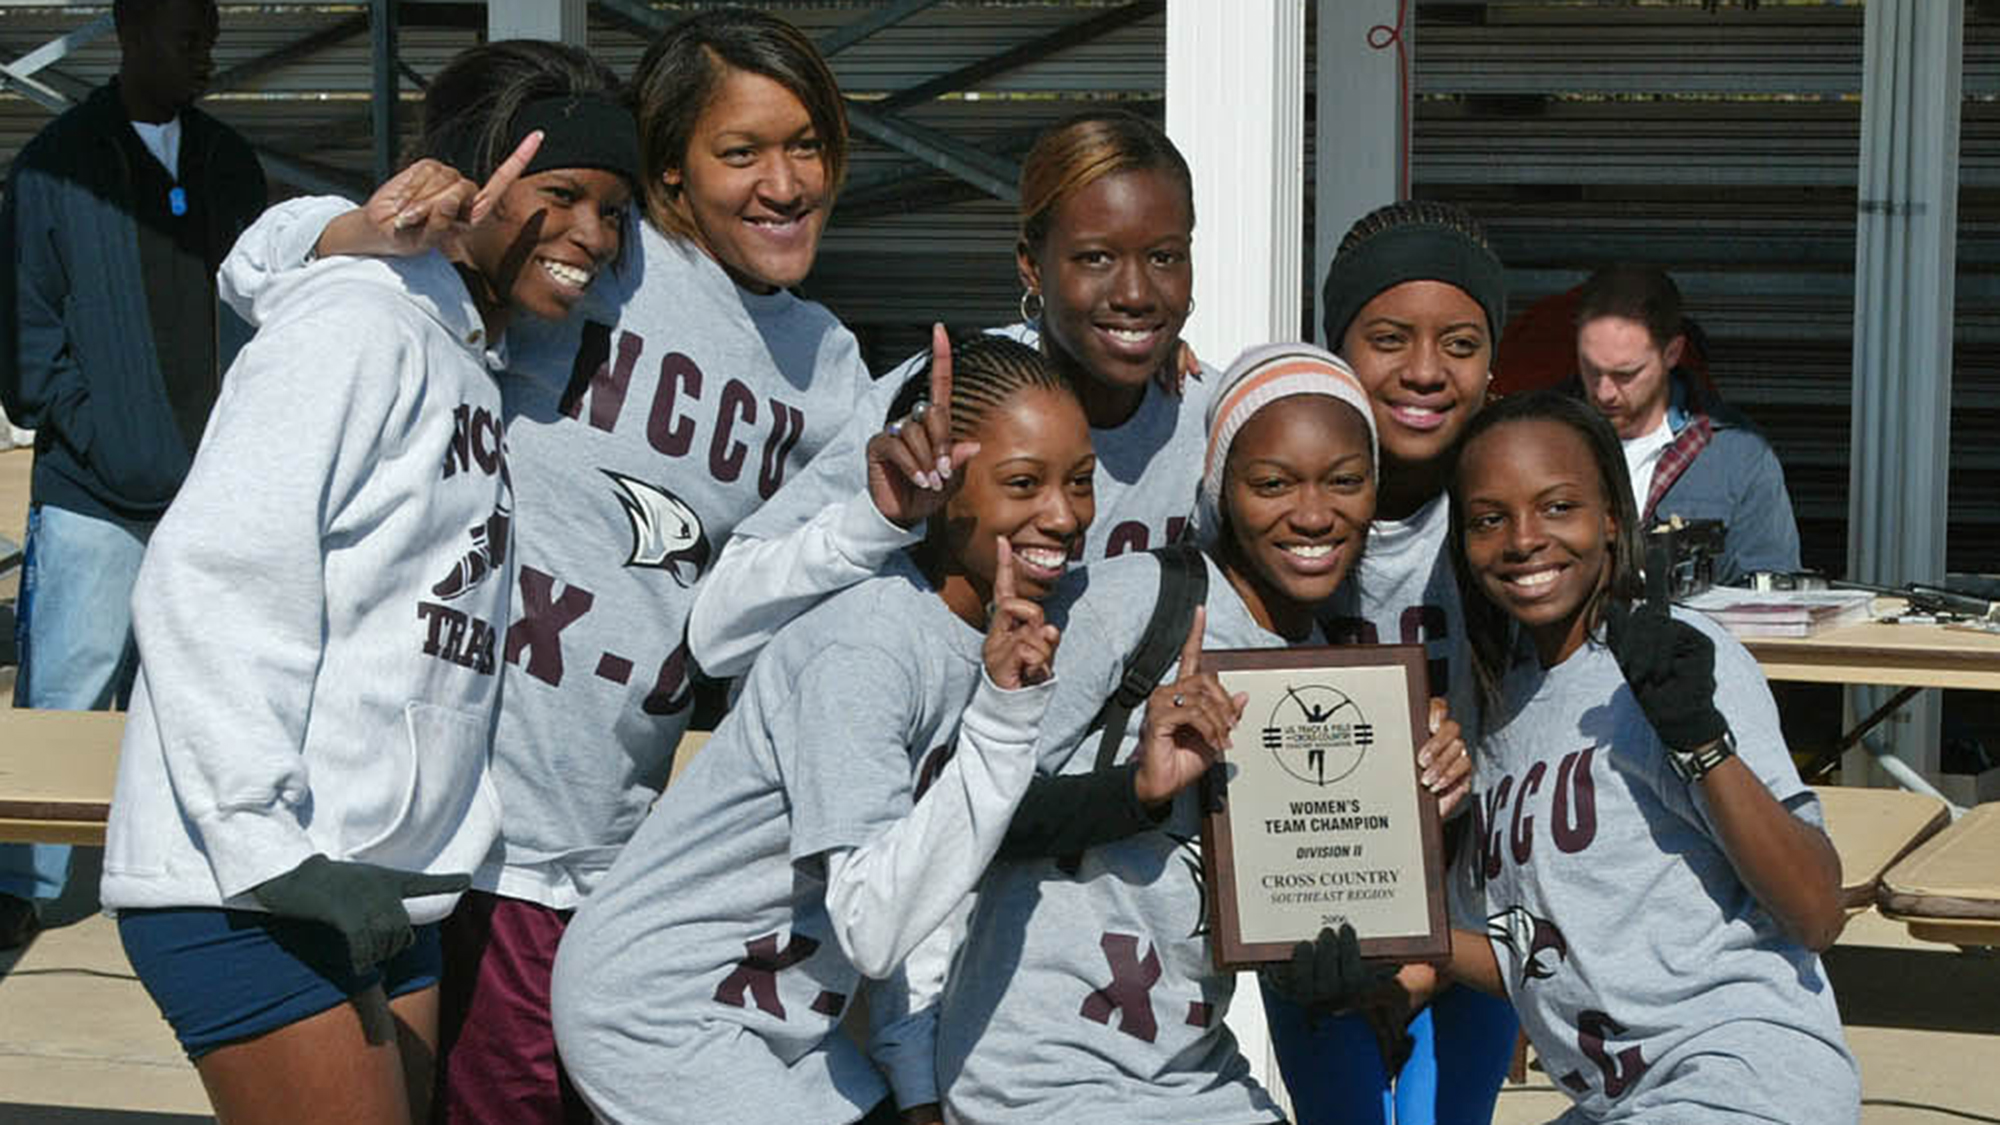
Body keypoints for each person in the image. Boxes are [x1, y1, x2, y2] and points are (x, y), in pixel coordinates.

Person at [216, 10, 874, 1120]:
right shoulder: (602, 257)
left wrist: (1116, 373)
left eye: (805, 144)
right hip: (476, 828)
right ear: (668, 168)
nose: (782, 181)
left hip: (616, 837)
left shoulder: (831, 365)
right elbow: (260, 266)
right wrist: (362, 228)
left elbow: (855, 528)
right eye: (740, 151)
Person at [98, 40, 637, 1125]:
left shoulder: (471, 361)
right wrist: (266, 845)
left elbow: (264, 256)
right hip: (250, 881)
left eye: (616, 211)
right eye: (562, 192)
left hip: (383, 885)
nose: (591, 232)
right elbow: (209, 578)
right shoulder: (356, 329)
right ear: (467, 182)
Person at [550, 335, 1089, 1125]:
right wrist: (1005, 724)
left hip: (780, 1011)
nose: (1064, 513)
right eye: (1022, 482)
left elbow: (924, 877)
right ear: (946, 492)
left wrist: (914, 1079)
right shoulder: (865, 647)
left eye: (1081, 481)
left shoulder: (977, 636)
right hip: (660, 1010)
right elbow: (876, 922)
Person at [931, 343, 1469, 1124]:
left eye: (1345, 480)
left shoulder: (1329, 682)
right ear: (1223, 488)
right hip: (1040, 1072)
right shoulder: (1139, 599)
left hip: (1191, 1074)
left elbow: (1278, 943)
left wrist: (1411, 819)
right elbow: (963, 811)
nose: (1313, 514)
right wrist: (1133, 791)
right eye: (1272, 482)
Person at [1440, 389, 1857, 1123]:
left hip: (1740, 1079)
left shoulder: (1676, 662)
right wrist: (1389, 943)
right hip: (1621, 1099)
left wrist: (1698, 738)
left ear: (1612, 520)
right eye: (1488, 519)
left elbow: (1817, 910)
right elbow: (1545, 960)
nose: (1523, 539)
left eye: (1558, 506)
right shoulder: (1497, 711)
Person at [688, 107, 1206, 679]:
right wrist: (875, 520)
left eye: (1164, 257)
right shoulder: (950, 400)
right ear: (1032, 266)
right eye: (1095, 258)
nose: (1135, 292)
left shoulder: (1206, 416)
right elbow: (719, 635)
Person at [0, 0, 266, 946]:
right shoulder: (55, 167)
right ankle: (21, 885)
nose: (206, 49)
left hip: (213, 497)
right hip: (95, 499)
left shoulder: (229, 164)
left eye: (212, 33)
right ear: (130, 31)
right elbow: (29, 339)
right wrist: (102, 437)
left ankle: (183, 870)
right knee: (66, 691)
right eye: (187, 32)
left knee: (200, 697)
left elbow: (266, 309)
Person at [1260, 199, 1520, 1125]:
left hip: (1480, 918)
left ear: (1494, 363)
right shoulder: (1282, 510)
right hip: (1327, 926)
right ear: (1337, 348)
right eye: (1387, 337)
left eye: (1459, 342)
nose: (1422, 369)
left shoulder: (1516, 511)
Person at [1572, 264, 1800, 585]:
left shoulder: (1739, 457)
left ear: (1672, 352)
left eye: (1626, 374)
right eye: (1590, 368)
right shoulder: (1540, 435)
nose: (1604, 391)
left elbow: (1768, 599)